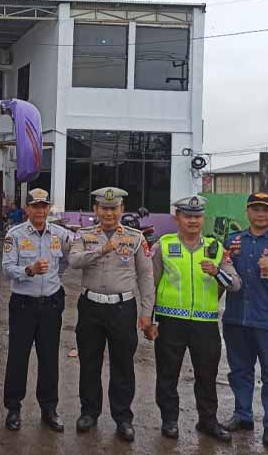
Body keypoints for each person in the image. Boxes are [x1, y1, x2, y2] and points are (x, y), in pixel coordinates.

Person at [68, 187, 154, 443]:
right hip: (91, 306)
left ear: (121, 210)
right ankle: (89, 412)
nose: (108, 212)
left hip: (122, 308)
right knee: (89, 361)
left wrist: (146, 312)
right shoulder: (83, 235)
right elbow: (74, 262)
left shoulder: (136, 237)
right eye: (103, 208)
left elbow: (146, 276)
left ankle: (123, 418)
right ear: (96, 210)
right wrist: (103, 250)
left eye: (113, 208)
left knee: (123, 365)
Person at [150, 195, 238, 443]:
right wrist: (150, 318)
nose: (193, 220)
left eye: (197, 216)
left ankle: (208, 421)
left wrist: (217, 271)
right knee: (167, 374)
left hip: (205, 323)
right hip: (170, 320)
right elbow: (151, 284)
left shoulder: (216, 248)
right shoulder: (164, 245)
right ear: (177, 217)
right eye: (187, 215)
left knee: (207, 375)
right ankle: (169, 420)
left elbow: (235, 284)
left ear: (203, 218)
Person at [221, 192, 268, 447]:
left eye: (266, 209)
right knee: (239, 371)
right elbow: (223, 278)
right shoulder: (232, 242)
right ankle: (243, 416)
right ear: (247, 212)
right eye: (255, 209)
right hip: (236, 320)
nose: (260, 214)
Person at [0, 188, 69, 433]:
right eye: (35, 206)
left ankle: (49, 409)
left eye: (44, 206)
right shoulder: (14, 235)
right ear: (27, 209)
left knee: (49, 358)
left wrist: (52, 280)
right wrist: (28, 270)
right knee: (18, 357)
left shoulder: (60, 234)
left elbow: (67, 263)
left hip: (51, 303)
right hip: (23, 304)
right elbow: (7, 268)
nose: (40, 211)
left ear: (48, 208)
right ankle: (13, 409)